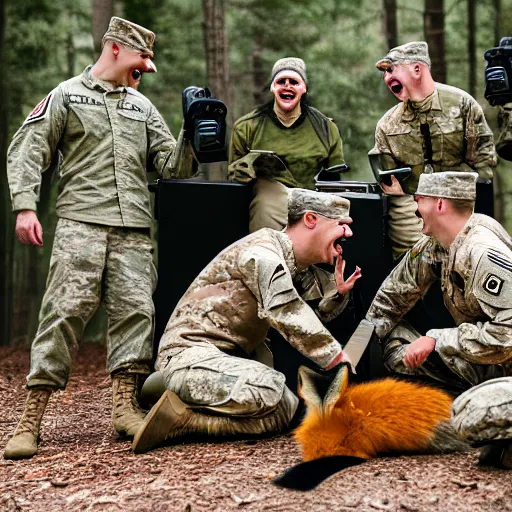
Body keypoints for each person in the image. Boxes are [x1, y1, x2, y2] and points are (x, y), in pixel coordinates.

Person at [4, 17, 177, 460]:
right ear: (116, 49)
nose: (146, 70)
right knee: (63, 313)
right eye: (142, 59)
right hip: (81, 223)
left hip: (134, 229)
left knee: (135, 313)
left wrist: (194, 134)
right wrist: (25, 206)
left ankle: (124, 408)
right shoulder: (66, 95)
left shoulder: (142, 107)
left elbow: (173, 166)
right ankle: (31, 420)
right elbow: (28, 147)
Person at [132, 188, 361, 453]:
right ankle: (177, 407)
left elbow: (307, 315)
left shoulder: (292, 263)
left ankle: (184, 413)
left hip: (219, 361)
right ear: (311, 220)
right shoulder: (263, 254)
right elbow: (287, 311)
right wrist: (336, 359)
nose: (348, 233)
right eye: (341, 225)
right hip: (189, 355)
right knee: (270, 389)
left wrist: (337, 293)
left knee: (285, 406)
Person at [364, 171, 512, 468]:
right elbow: (391, 297)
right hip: (482, 360)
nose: (415, 205)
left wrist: (437, 339)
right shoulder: (435, 245)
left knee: (469, 419)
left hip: (505, 362)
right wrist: (351, 356)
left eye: (420, 199)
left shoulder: (483, 252)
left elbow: (507, 334)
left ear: (440, 204)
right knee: (395, 341)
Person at [370, 41, 497, 259]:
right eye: (384, 73)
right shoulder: (387, 125)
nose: (386, 78)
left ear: (417, 69)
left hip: (464, 223)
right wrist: (417, 245)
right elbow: (392, 192)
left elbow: (484, 168)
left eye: (391, 69)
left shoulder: (461, 105)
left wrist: (468, 224)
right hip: (414, 230)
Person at [228, 57, 345, 232]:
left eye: (294, 82)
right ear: (272, 87)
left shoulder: (325, 128)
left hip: (312, 208)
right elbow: (234, 180)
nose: (287, 86)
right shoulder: (247, 127)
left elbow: (335, 180)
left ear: (304, 88)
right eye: (281, 81)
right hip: (266, 208)